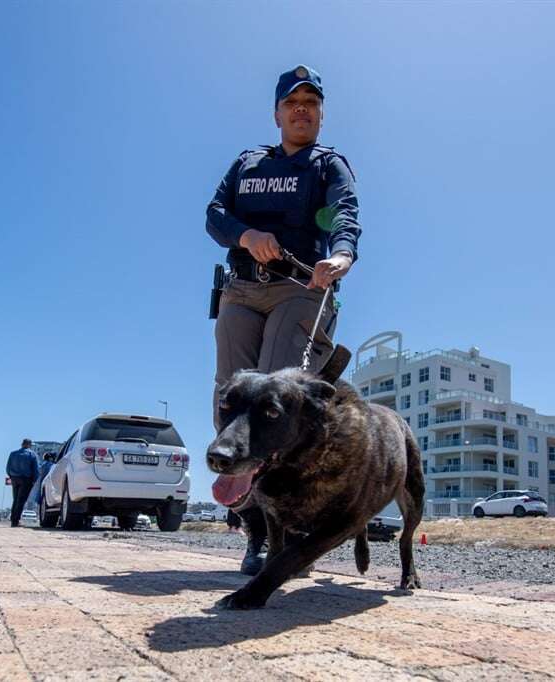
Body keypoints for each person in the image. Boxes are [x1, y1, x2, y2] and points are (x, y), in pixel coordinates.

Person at [205, 64, 361, 575]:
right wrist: (246, 236)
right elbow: (215, 215)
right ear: (277, 112)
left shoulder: (328, 165)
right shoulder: (248, 163)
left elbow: (344, 214)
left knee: (277, 400)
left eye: (311, 104)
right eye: (293, 103)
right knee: (230, 400)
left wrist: (341, 256)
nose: (302, 110)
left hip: (301, 287)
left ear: (320, 114)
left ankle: (287, 532)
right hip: (243, 289)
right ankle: (253, 530)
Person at [6, 438, 39, 527]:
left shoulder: (13, 454)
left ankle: (14, 519)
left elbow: (8, 468)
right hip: (26, 479)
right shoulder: (32, 455)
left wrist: (11, 476)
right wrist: (35, 480)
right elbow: (35, 470)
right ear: (29, 445)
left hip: (14, 479)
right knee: (21, 500)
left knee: (15, 499)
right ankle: (15, 521)